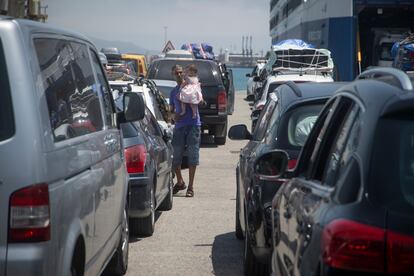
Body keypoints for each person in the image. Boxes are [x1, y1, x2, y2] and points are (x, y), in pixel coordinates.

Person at [169, 64, 202, 197]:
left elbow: (199, 99)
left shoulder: (191, 86)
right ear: (172, 74)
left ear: (184, 73)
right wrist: (173, 116)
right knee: (175, 156)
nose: (179, 75)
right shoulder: (173, 92)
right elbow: (170, 110)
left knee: (193, 156)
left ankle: (191, 187)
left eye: (181, 72)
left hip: (194, 125)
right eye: (176, 73)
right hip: (179, 126)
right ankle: (180, 181)